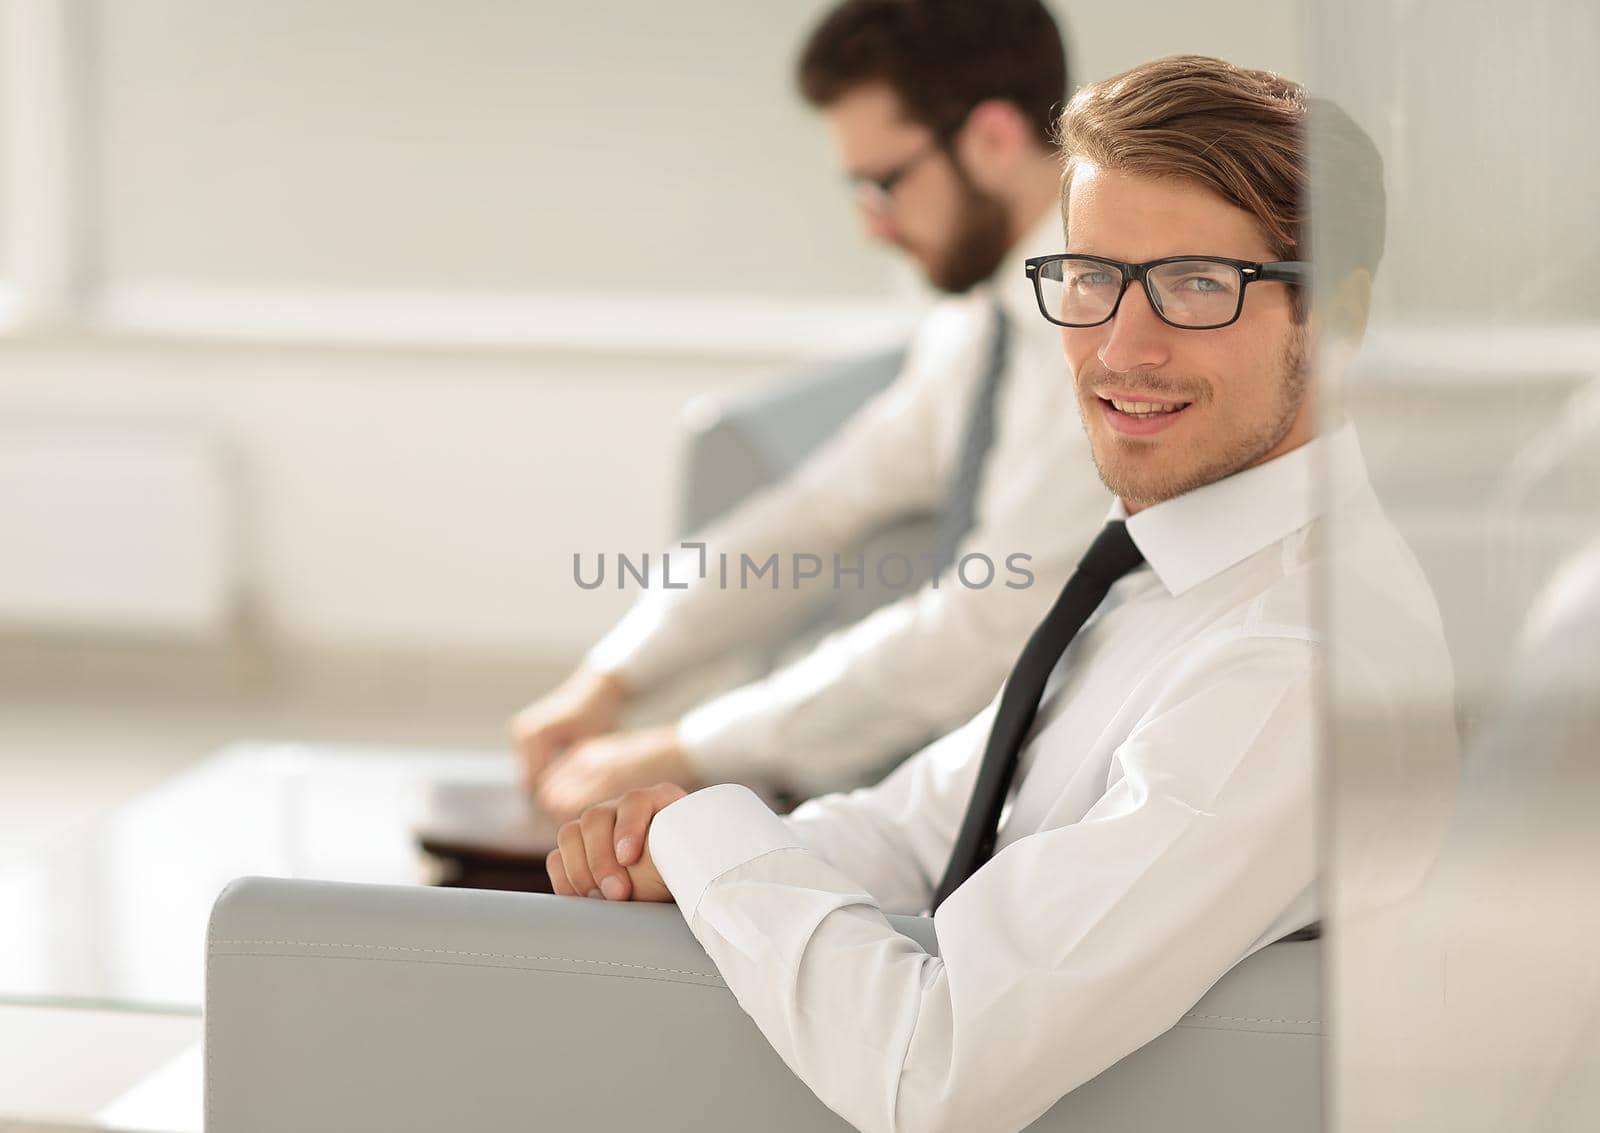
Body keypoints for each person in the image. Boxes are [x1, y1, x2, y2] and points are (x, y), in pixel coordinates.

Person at [545, 55, 1458, 1133]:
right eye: (1090, 277)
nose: (1122, 348)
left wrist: (708, 843)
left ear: (1337, 319)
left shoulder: (1291, 673)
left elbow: (932, 1070)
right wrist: (682, 842)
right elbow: (917, 821)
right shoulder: (1158, 574)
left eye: (1199, 285)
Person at [511, 0, 1111, 820]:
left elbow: (981, 629)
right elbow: (818, 511)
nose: (873, 227)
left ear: (995, 140)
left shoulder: (1096, 336)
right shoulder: (976, 329)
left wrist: (685, 748)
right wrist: (614, 678)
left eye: (883, 183)